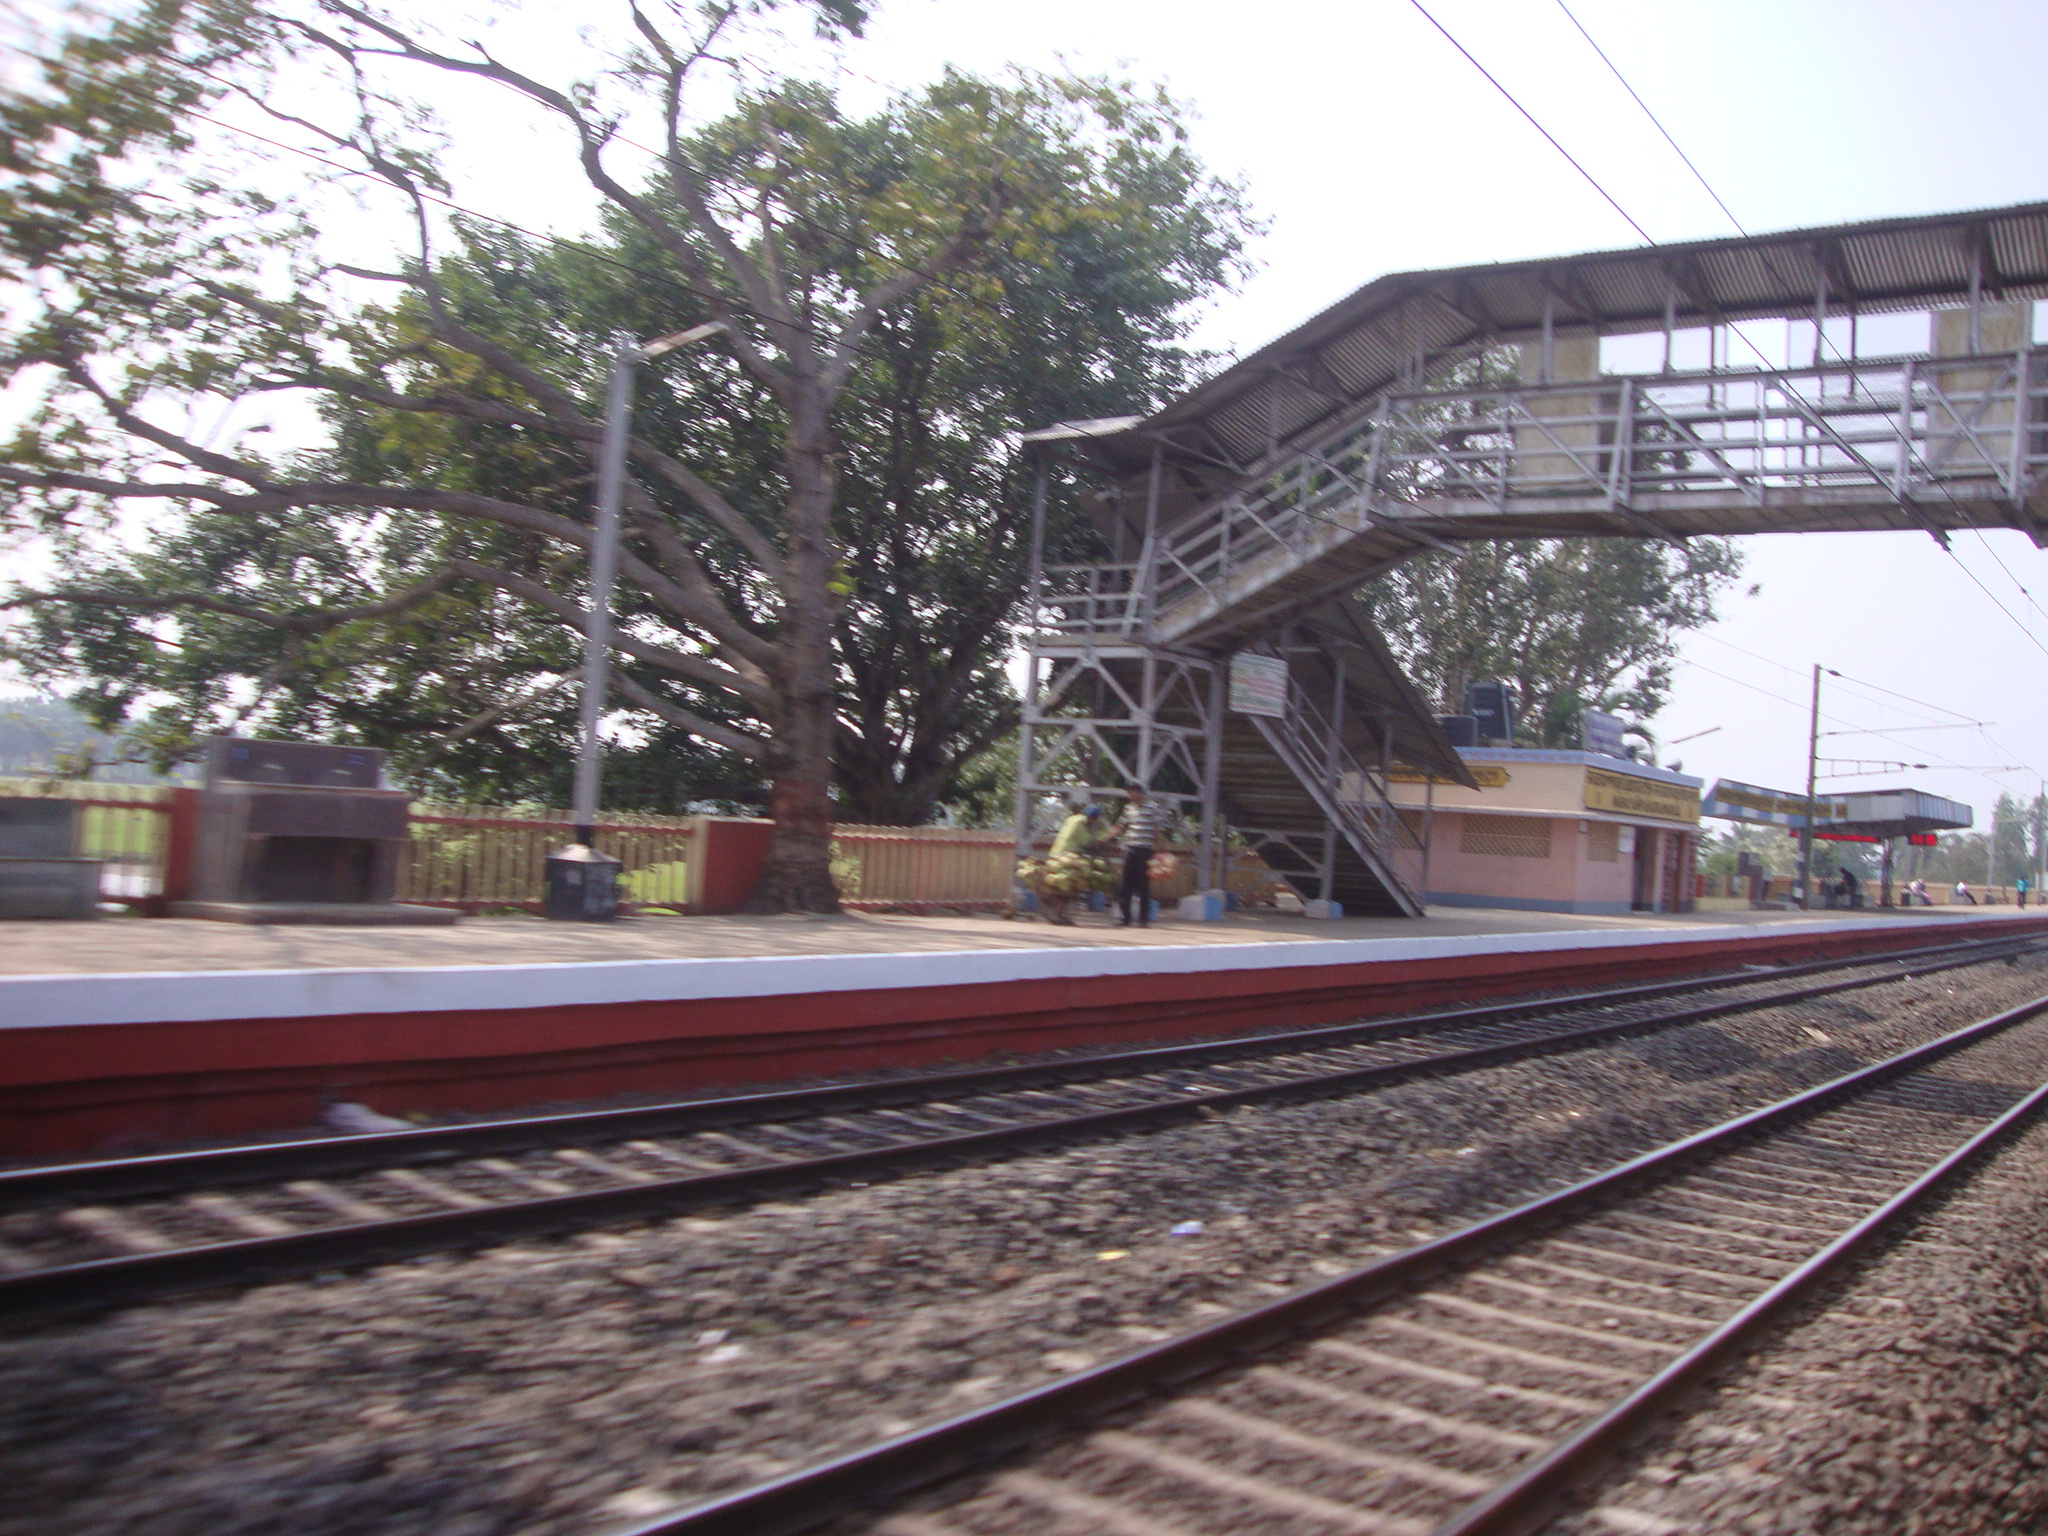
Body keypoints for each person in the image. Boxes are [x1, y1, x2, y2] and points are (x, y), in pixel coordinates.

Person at [1042, 802, 1102, 926]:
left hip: (1055, 854)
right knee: (1069, 887)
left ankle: (1058, 913)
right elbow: (1085, 841)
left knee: (1061, 885)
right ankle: (1057, 915)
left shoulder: (1072, 818)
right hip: (1067, 857)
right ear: (1092, 818)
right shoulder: (1082, 823)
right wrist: (1097, 843)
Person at [1114, 786, 1166, 928]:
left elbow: (1157, 830)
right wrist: (1104, 838)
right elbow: (1120, 827)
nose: (1131, 796)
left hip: (1145, 850)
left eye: (1133, 793)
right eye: (1129, 793)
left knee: (1143, 885)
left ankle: (1144, 920)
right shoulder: (1128, 809)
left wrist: (1159, 849)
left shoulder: (1152, 808)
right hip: (1129, 848)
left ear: (1140, 793)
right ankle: (1125, 918)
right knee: (1125, 885)